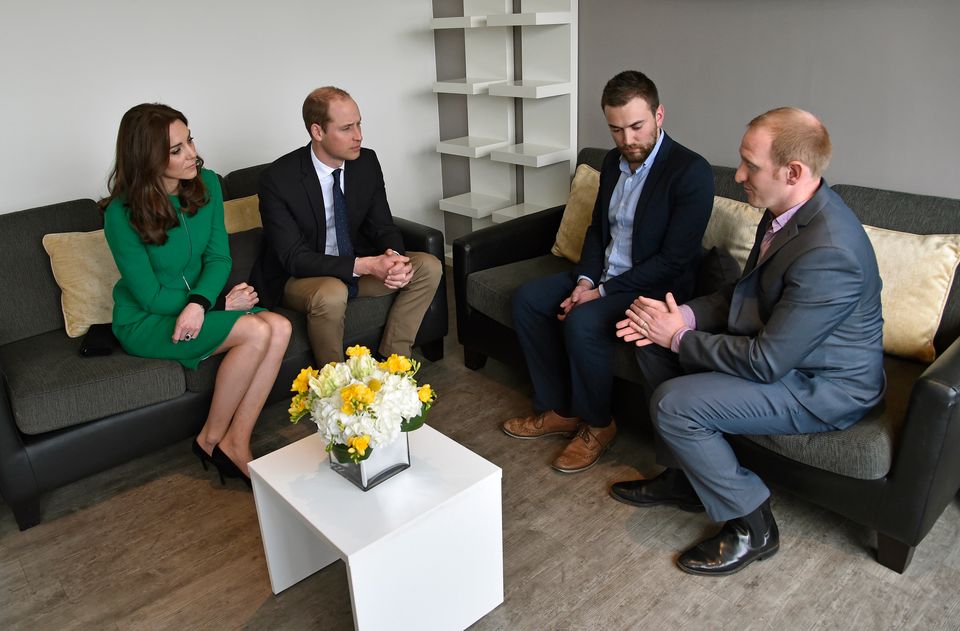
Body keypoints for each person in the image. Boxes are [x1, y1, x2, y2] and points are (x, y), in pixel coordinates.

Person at [611, 107, 885, 575]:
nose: (738, 175)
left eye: (749, 166)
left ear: (792, 172)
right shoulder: (785, 212)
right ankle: (687, 480)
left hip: (822, 387)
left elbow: (766, 362)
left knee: (676, 403)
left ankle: (753, 524)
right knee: (648, 341)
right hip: (783, 356)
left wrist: (679, 336)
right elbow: (745, 295)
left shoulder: (830, 251)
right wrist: (684, 316)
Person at [502, 70, 714, 473]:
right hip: (603, 277)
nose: (628, 140)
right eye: (617, 130)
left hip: (652, 287)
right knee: (528, 300)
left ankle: (599, 424)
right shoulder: (612, 162)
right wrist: (584, 280)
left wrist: (597, 294)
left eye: (636, 126)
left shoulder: (690, 172)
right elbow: (598, 231)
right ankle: (559, 409)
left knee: (582, 321)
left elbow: (674, 260)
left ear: (659, 115)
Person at [102, 103, 292, 486]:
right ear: (146, 158)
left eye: (189, 140)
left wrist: (202, 303)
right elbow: (151, 296)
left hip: (195, 307)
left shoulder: (205, 184)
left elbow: (219, 258)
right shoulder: (120, 215)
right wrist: (218, 305)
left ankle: (237, 440)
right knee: (257, 330)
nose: (191, 153)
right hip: (147, 319)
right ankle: (209, 440)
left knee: (282, 327)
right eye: (176, 150)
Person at [251, 86, 442, 365]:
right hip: (299, 277)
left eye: (359, 124)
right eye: (347, 128)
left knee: (428, 266)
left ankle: (393, 366)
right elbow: (294, 258)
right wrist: (366, 266)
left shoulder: (366, 161)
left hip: (354, 265)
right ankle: (335, 385)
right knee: (331, 292)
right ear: (318, 132)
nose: (359, 136)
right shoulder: (278, 179)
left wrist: (395, 259)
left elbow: (383, 226)